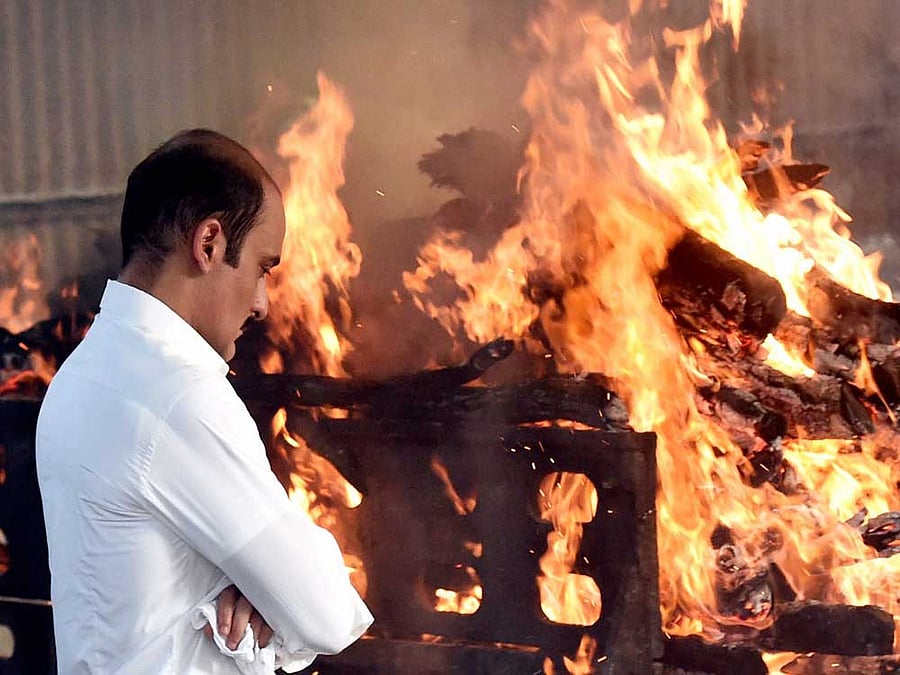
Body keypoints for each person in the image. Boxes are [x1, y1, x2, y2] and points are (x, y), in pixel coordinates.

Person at [35, 129, 373, 674]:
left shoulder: (84, 372)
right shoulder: (178, 394)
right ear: (209, 243)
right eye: (263, 268)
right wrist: (276, 600)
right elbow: (326, 613)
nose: (262, 303)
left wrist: (265, 594)